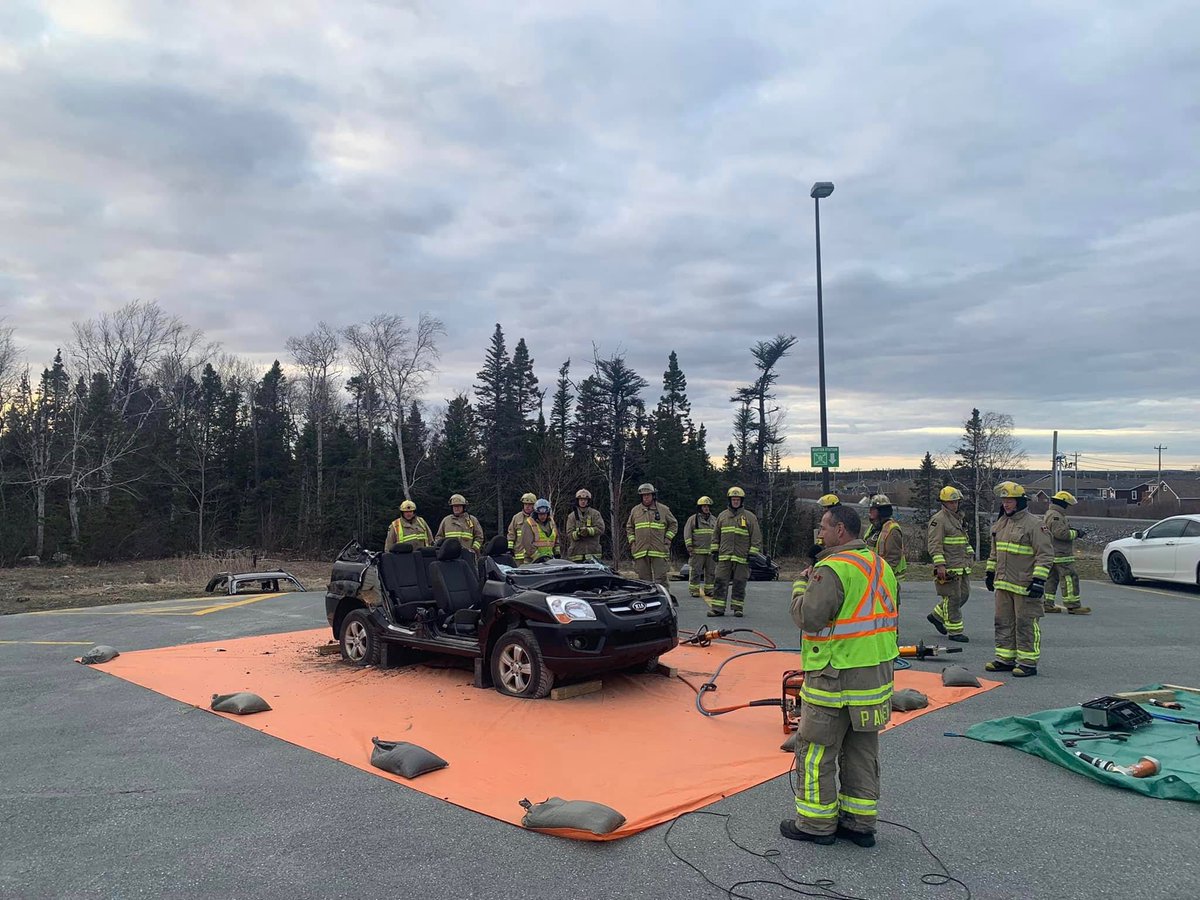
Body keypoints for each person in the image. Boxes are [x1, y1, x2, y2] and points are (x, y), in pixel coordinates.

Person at [782, 503, 898, 848]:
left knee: (817, 749)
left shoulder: (831, 568)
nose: (820, 533)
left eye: (824, 527)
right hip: (875, 675)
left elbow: (809, 617)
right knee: (862, 748)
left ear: (840, 531)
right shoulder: (880, 566)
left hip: (836, 676)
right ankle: (860, 824)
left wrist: (801, 586)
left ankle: (816, 825)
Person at [984, 482, 1054, 678]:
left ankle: (1027, 663)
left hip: (1025, 585)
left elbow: (1045, 555)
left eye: (1010, 501)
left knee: (1026, 623)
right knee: (1002, 622)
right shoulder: (1000, 524)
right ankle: (1004, 659)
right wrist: (990, 573)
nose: (1006, 504)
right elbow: (994, 552)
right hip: (1003, 584)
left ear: (1020, 502)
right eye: (1004, 501)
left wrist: (1039, 580)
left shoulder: (1034, 525)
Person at [926, 486, 974, 642]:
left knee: (964, 595)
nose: (954, 505)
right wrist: (940, 565)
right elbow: (934, 544)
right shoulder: (938, 520)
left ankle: (936, 616)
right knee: (953, 598)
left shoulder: (957, 518)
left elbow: (963, 540)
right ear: (944, 503)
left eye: (956, 502)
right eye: (951, 502)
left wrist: (970, 554)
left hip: (962, 565)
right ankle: (955, 632)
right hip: (949, 567)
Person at [709, 487, 763, 617]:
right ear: (730, 500)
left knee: (740, 582)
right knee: (720, 581)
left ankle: (737, 608)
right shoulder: (722, 516)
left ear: (741, 501)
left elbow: (756, 537)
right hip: (724, 557)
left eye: (738, 499)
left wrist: (753, 553)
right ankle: (717, 608)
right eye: (733, 499)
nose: (735, 502)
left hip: (742, 557)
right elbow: (716, 535)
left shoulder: (750, 517)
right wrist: (715, 551)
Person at [1042, 490, 1091, 615]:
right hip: (1061, 554)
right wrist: (1076, 533)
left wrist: (1071, 529)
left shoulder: (1051, 513)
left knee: (1051, 579)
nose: (1068, 507)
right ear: (1063, 503)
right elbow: (1061, 534)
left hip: (1052, 552)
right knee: (1069, 578)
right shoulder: (1056, 516)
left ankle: (1047, 604)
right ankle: (1073, 606)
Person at [625, 483, 677, 590]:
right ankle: (647, 601)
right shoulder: (635, 510)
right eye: (644, 495)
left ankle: (664, 600)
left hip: (659, 550)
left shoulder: (663, 510)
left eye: (648, 495)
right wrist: (632, 542)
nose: (646, 497)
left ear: (653, 495)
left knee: (661, 579)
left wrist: (667, 539)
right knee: (644, 580)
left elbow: (673, 524)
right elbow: (629, 527)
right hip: (640, 551)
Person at [863, 494, 906, 601]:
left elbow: (892, 559)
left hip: (886, 580)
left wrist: (880, 578)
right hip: (872, 578)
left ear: (880, 511)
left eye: (872, 509)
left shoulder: (892, 530)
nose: (869, 512)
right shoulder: (874, 528)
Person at [683, 496, 717, 598]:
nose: (706, 508)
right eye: (704, 506)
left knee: (711, 572)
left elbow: (717, 534)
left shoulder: (714, 520)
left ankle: (709, 590)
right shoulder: (693, 519)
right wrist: (689, 546)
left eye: (707, 506)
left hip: (710, 552)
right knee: (695, 571)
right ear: (700, 507)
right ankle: (694, 590)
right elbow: (687, 533)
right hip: (697, 551)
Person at [564, 488, 606, 561]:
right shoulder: (572, 516)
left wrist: (588, 531)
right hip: (576, 554)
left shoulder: (595, 514)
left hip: (593, 554)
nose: (583, 501)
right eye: (581, 500)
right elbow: (569, 533)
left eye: (585, 500)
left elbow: (601, 529)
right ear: (577, 501)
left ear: (588, 501)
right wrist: (578, 534)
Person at [516, 498, 558, 563]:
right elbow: (528, 544)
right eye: (540, 514)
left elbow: (556, 539)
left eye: (545, 514)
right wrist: (538, 557)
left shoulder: (551, 523)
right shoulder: (529, 523)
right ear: (536, 513)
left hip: (550, 560)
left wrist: (557, 552)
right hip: (532, 562)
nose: (543, 516)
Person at [507, 492, 537, 564]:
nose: (527, 506)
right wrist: (510, 548)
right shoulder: (516, 517)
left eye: (530, 504)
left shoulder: (538, 518)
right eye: (525, 504)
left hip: (534, 555)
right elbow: (511, 533)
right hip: (519, 555)